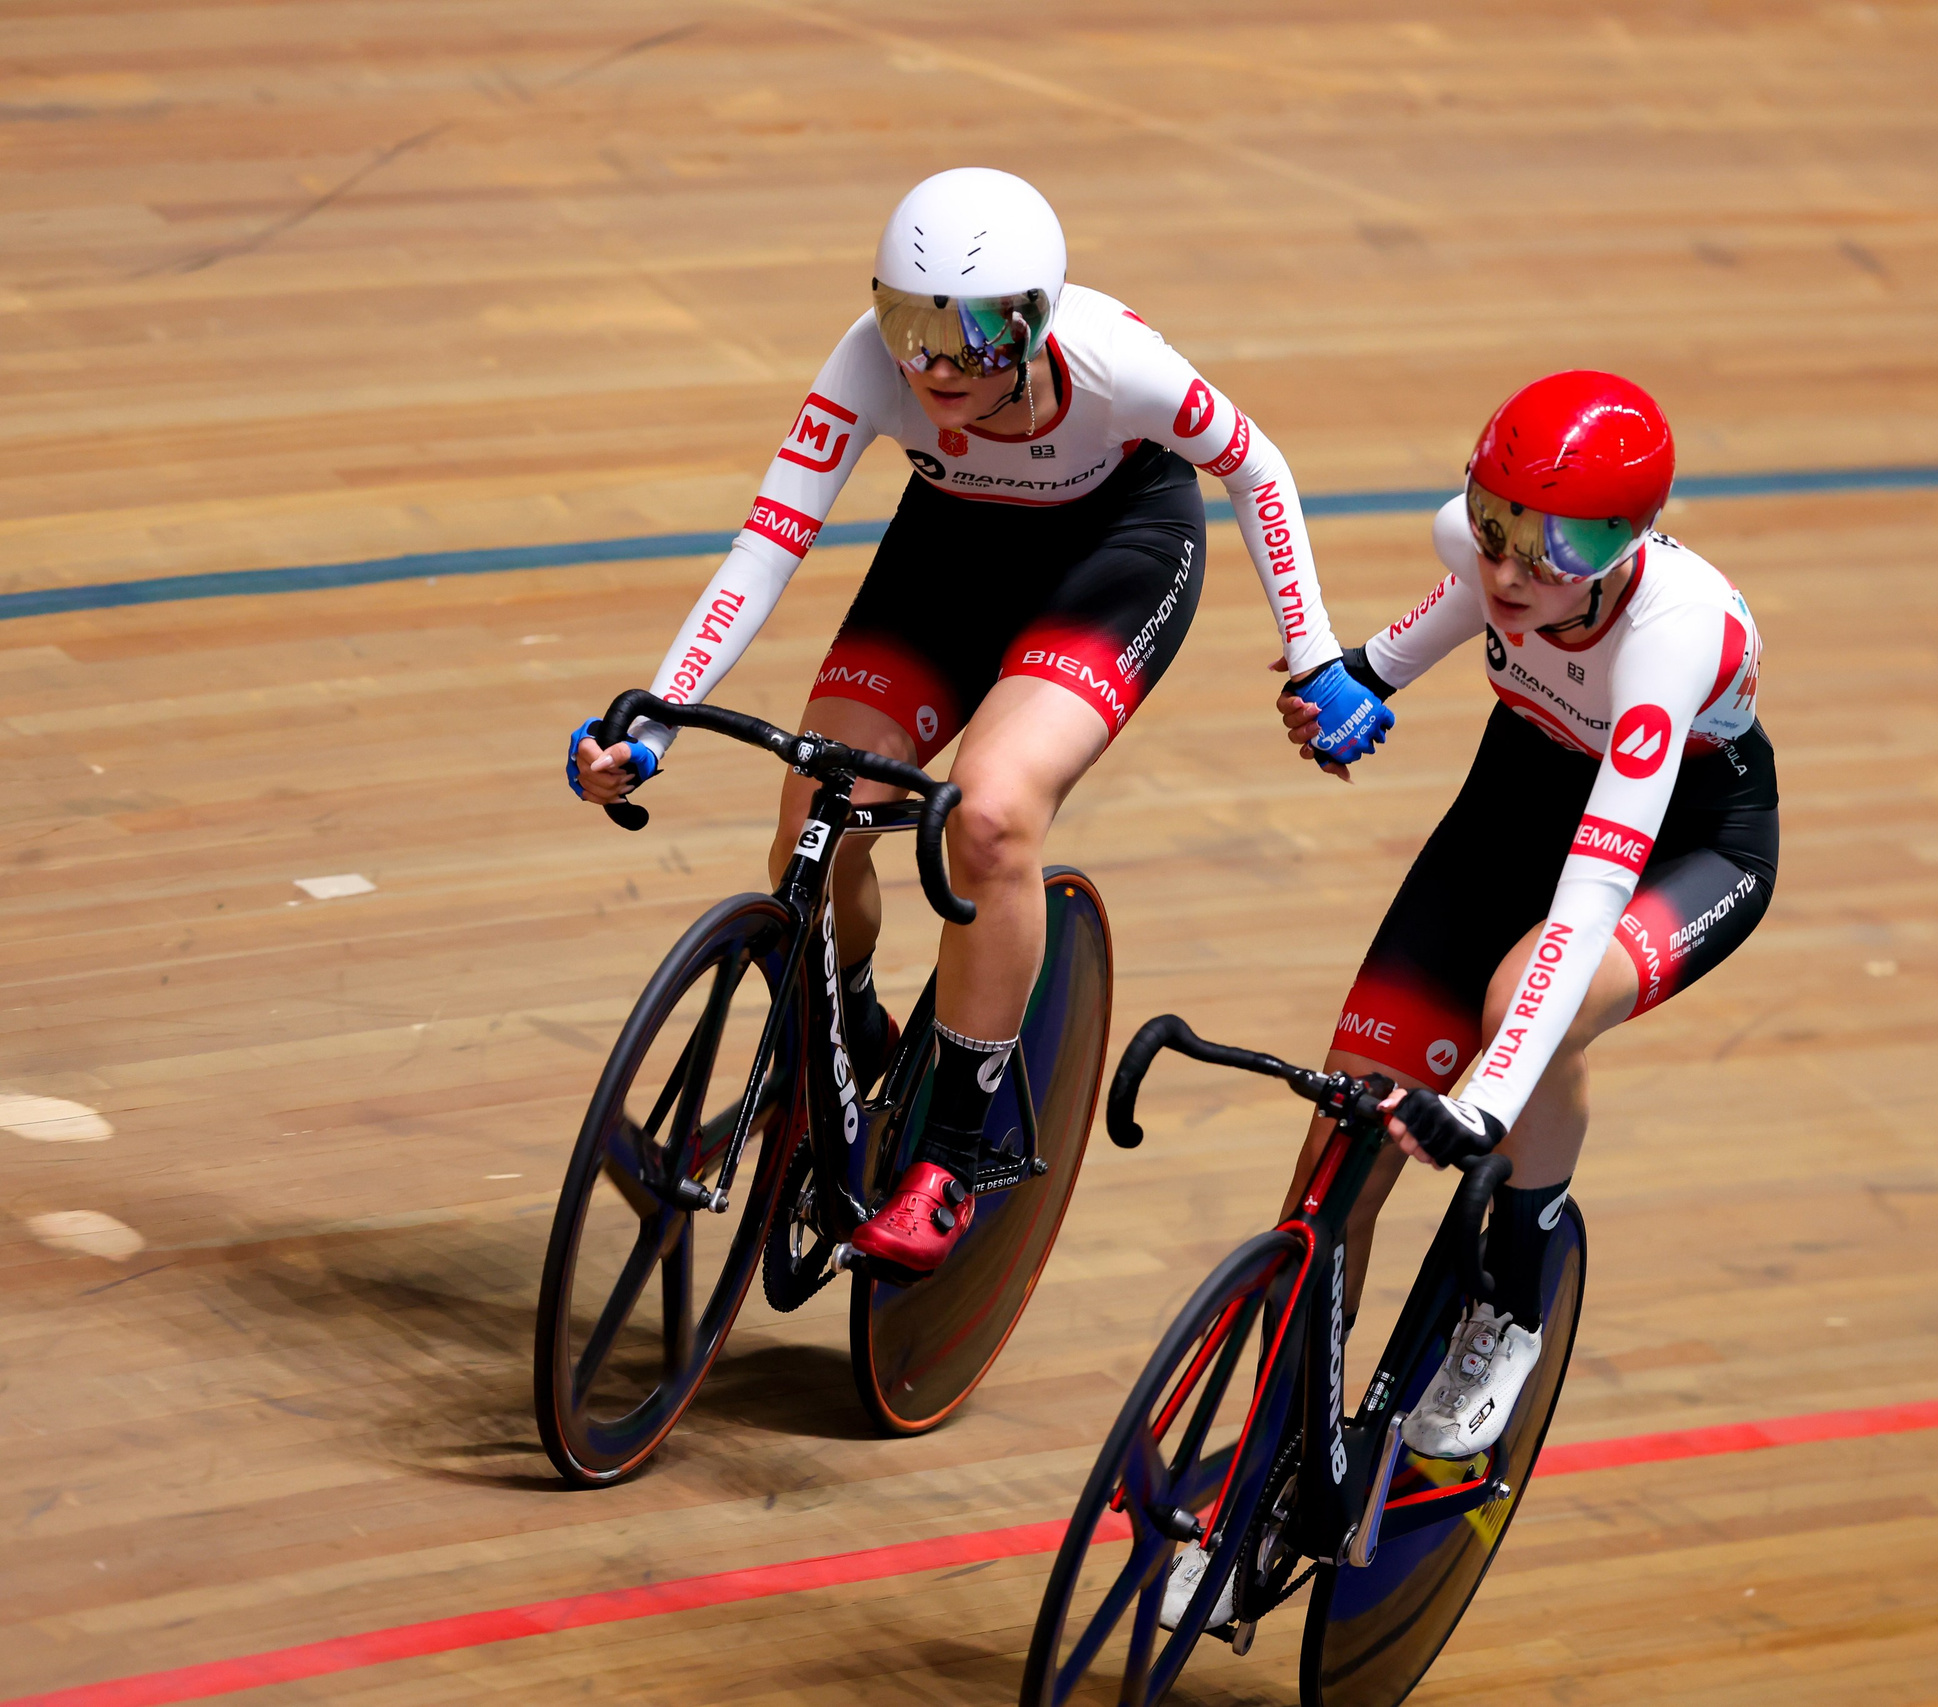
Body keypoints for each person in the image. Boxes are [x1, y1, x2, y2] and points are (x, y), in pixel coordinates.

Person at [564, 167, 1391, 1275]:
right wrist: (654, 718)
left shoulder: (1116, 365)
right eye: (911, 326)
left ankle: (956, 1151)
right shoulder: (871, 362)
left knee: (991, 818)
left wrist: (1315, 656)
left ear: (1039, 320)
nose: (936, 367)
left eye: (974, 336)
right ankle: (850, 1033)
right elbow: (766, 545)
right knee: (821, 789)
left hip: (1114, 555)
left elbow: (1259, 468)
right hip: (951, 550)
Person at [1165, 366, 1771, 1633]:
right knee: (1337, 1154)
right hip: (1509, 807)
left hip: (1678, 843)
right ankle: (1274, 1466)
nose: (1510, 566)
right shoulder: (1492, 561)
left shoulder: (1671, 638)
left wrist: (1485, 1103)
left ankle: (1514, 1281)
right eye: (1494, 522)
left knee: (1521, 1006)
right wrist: (1344, 691)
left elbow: (1598, 886)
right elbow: (1419, 640)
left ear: (1630, 543)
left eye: (1553, 546)